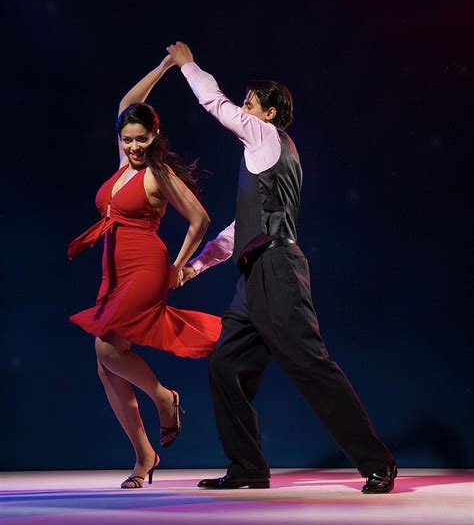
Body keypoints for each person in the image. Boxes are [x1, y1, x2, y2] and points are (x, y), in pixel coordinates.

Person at [166, 41, 397, 494]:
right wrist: (195, 267)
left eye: (251, 104)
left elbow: (216, 105)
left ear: (268, 115)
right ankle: (248, 467)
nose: (244, 109)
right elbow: (241, 228)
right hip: (254, 274)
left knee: (310, 365)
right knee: (225, 366)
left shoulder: (267, 137)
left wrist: (188, 66)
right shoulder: (265, 155)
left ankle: (378, 462)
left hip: (277, 269)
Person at [68, 54, 221, 489]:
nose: (133, 146)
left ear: (154, 136)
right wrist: (166, 65)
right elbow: (126, 102)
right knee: (107, 366)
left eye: (141, 139)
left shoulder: (157, 173)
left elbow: (200, 220)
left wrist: (178, 267)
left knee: (104, 349)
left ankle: (164, 399)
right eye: (128, 139)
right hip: (112, 272)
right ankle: (143, 457)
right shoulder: (123, 166)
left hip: (147, 269)